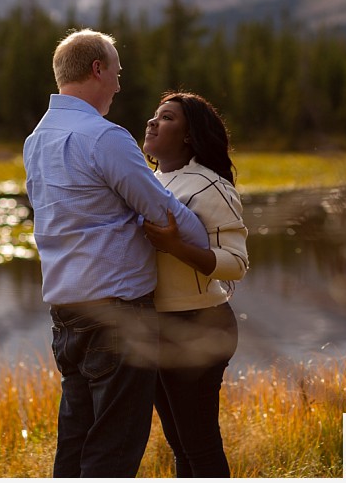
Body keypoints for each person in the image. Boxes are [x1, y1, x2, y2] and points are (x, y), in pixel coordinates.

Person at [23, 29, 210, 478]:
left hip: (66, 312)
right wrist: (204, 241)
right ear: (97, 70)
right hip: (119, 315)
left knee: (75, 442)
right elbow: (161, 209)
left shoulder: (35, 140)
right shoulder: (105, 137)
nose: (120, 86)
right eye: (117, 73)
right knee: (114, 449)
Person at [141, 91, 249, 477]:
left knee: (199, 446)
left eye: (167, 118)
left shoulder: (209, 185)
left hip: (199, 324)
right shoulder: (150, 180)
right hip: (157, 325)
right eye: (154, 116)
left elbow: (235, 263)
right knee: (180, 444)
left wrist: (175, 246)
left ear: (189, 136)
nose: (153, 122)